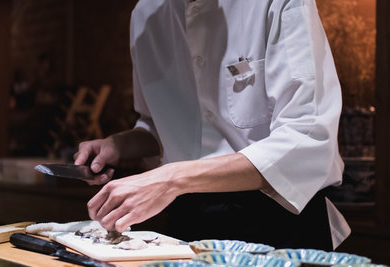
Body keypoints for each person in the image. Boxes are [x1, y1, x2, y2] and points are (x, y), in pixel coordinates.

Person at [74, 0, 350, 250]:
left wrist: (172, 179)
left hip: (280, 220)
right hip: (190, 221)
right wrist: (119, 146)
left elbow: (307, 138)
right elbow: (159, 125)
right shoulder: (145, 15)